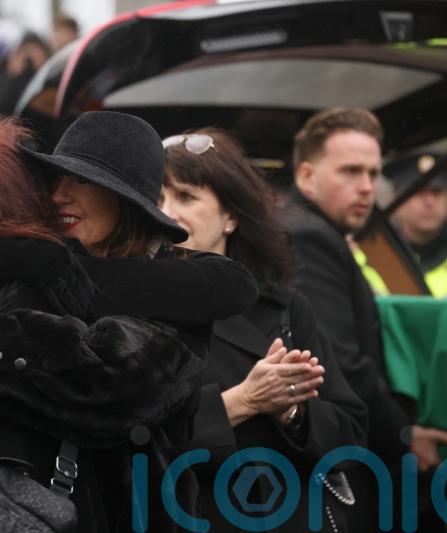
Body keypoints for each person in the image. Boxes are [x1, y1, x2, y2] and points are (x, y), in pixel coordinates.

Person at [0, 114, 258, 532]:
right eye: (57, 180)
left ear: (126, 201)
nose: (61, 196)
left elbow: (102, 387)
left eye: (83, 182)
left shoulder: (175, 302)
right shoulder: (37, 268)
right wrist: (12, 262)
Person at [161, 128, 368, 531]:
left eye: (185, 196)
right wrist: (243, 401)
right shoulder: (126, 306)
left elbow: (351, 436)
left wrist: (292, 411)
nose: (167, 212)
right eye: (156, 198)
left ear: (232, 217)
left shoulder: (284, 308)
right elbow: (127, 439)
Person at [283, 107, 447, 530]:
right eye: (350, 171)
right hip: (344, 461)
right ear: (306, 177)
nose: (366, 187)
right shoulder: (309, 235)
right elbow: (339, 360)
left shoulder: (317, 231)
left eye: (372, 174)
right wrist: (404, 436)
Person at [385, 151, 447, 297]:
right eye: (419, 192)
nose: (430, 202)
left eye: (437, 192)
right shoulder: (366, 259)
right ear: (396, 197)